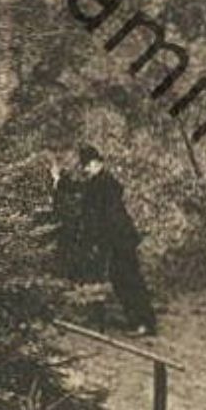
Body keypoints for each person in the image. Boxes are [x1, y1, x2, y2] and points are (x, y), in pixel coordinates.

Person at [53, 144, 157, 336]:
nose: (85, 169)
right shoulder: (100, 182)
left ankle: (145, 323)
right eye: (84, 166)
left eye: (88, 165)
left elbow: (95, 208)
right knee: (121, 279)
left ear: (97, 163)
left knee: (129, 279)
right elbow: (83, 190)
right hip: (117, 240)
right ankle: (139, 320)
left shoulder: (105, 183)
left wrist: (93, 239)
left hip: (121, 240)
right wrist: (62, 181)